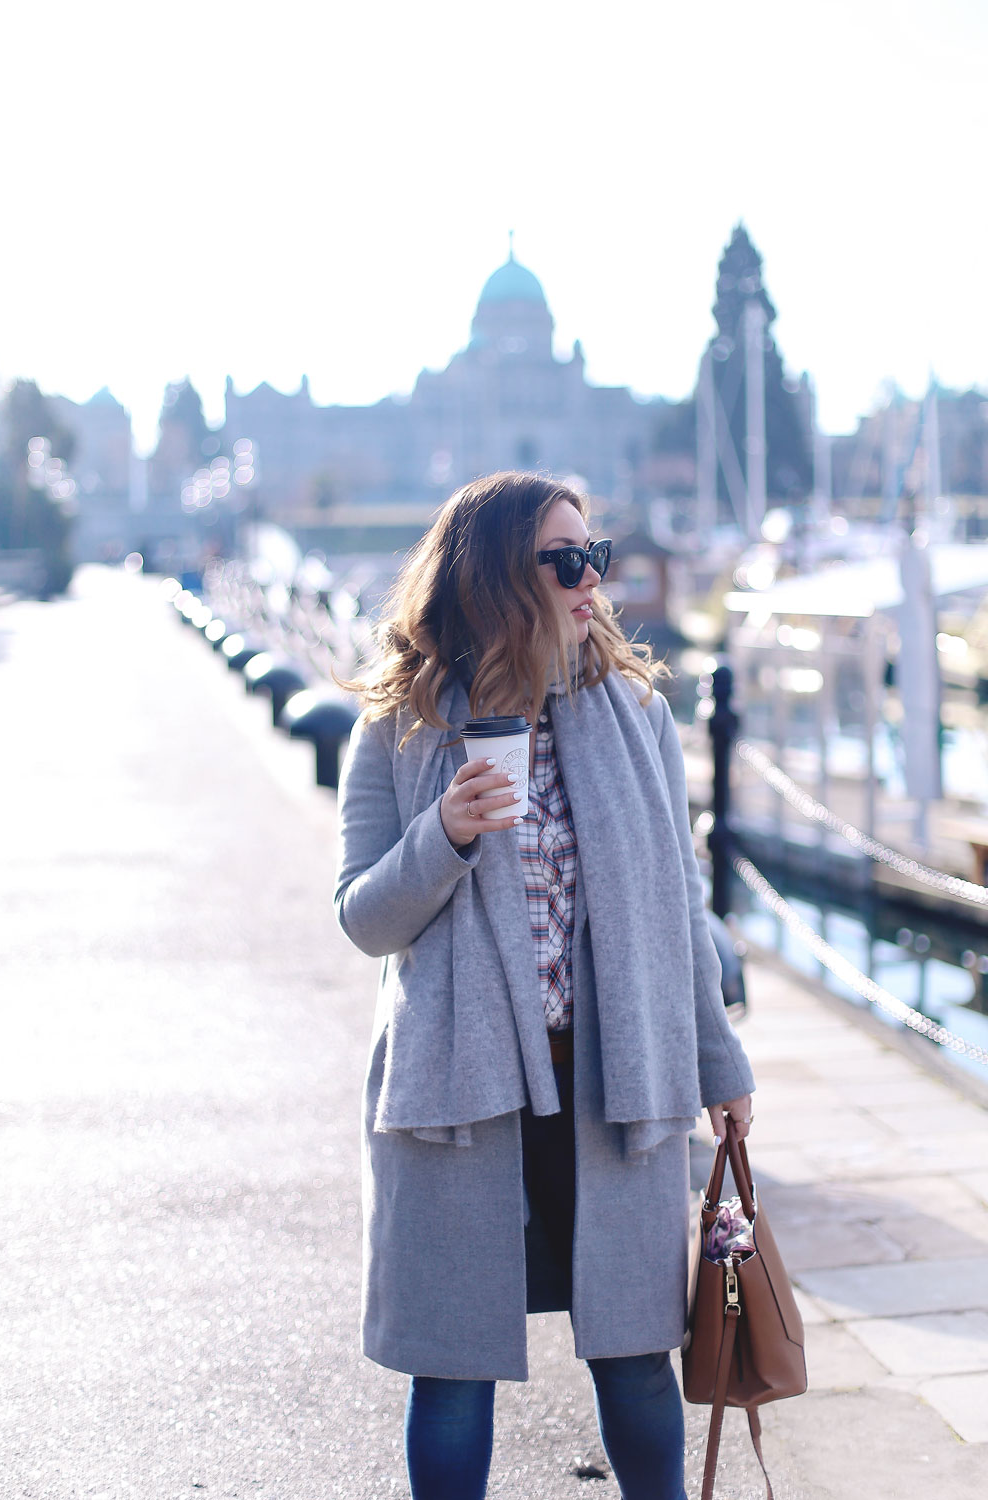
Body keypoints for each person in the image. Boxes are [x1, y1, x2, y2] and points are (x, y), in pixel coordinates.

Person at [334, 472, 755, 1500]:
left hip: (615, 1083)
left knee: (636, 1360)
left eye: (592, 557)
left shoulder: (634, 716)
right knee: (452, 1372)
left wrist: (720, 1062)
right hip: (458, 1091)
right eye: (563, 561)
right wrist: (444, 835)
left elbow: (678, 908)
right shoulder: (402, 725)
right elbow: (363, 916)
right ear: (492, 578)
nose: (588, 581)